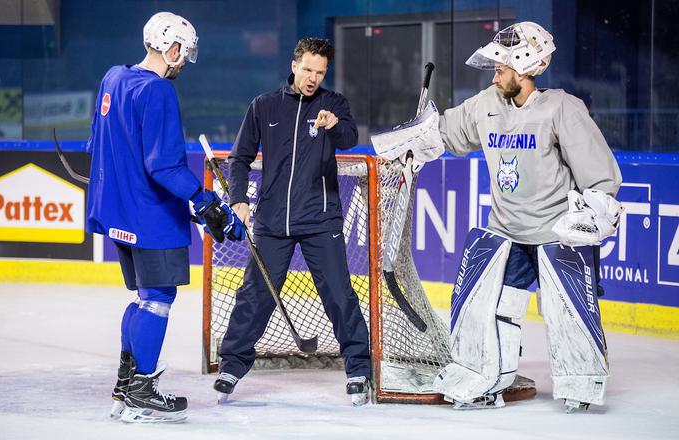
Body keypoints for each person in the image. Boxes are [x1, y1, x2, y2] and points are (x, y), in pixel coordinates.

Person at [372, 22, 622, 412]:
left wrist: (596, 210)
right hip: (506, 233)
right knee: (489, 311)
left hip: (557, 235)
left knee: (568, 314)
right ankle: (486, 378)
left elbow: (600, 175)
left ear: (525, 65)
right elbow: (447, 133)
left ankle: (580, 383)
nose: (495, 73)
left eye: (501, 67)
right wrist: (417, 140)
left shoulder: (561, 108)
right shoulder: (487, 104)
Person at [85, 11, 244, 423]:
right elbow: (164, 166)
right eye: (183, 54)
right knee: (158, 298)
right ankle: (141, 390)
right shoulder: (157, 91)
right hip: (150, 216)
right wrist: (207, 201)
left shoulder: (112, 78)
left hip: (119, 211)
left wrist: (194, 204)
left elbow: (99, 146)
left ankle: (126, 383)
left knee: (143, 297)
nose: (181, 63)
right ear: (171, 48)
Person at [214, 38, 371, 406]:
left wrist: (333, 126)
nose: (313, 78)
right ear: (294, 64)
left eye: (320, 72)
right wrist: (238, 199)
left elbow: (350, 137)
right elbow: (239, 158)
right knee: (255, 293)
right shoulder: (264, 105)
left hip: (321, 219)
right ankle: (232, 365)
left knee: (339, 294)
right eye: (308, 70)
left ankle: (359, 368)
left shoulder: (333, 104)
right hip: (271, 221)